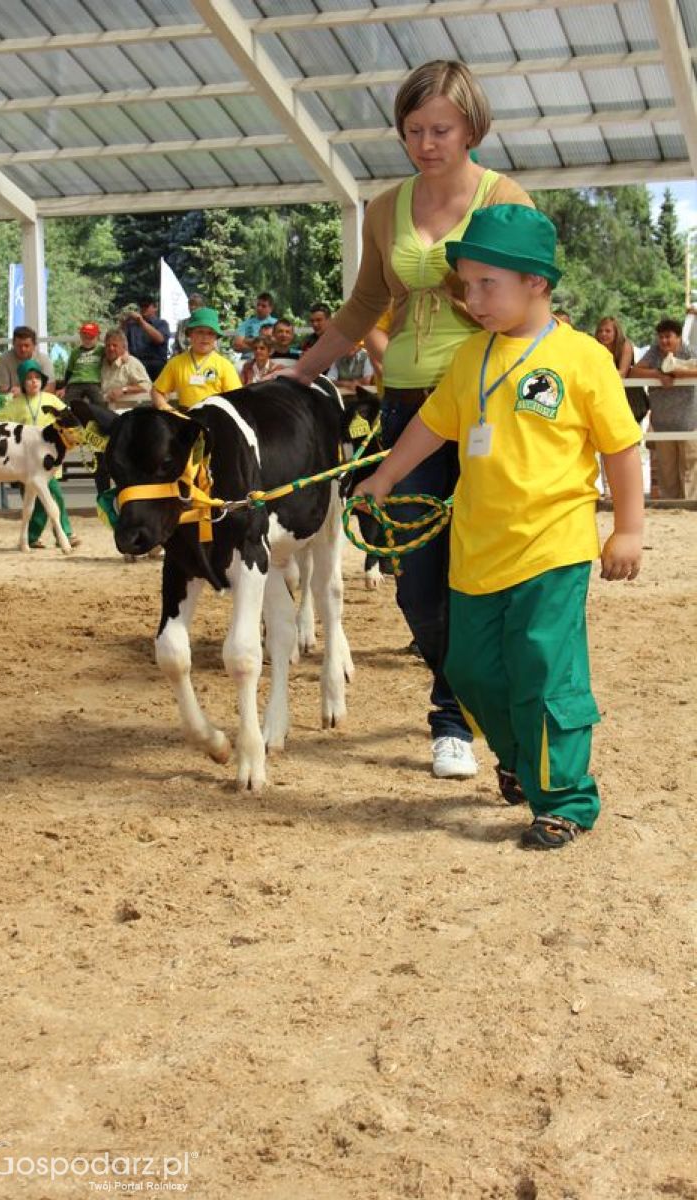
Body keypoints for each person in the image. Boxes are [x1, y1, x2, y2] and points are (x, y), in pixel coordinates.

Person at [358, 205, 644, 849]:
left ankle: (565, 799)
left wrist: (628, 529)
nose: (473, 297)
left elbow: (622, 449)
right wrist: (383, 476)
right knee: (472, 669)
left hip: (554, 547)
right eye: (466, 283)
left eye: (488, 283)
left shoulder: (582, 358)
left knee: (546, 670)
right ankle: (517, 756)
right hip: (476, 550)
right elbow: (433, 425)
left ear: (537, 282)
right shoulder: (471, 358)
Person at [289, 59, 534, 781]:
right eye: (414, 129)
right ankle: (465, 707)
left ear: (472, 128)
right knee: (417, 582)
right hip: (406, 406)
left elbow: (533, 299)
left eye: (442, 129)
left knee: (491, 573)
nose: (427, 143)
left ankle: (461, 718)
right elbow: (362, 309)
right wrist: (301, 370)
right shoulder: (385, 208)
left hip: (490, 407)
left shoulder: (504, 197)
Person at [0, 359, 80, 549]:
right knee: (37, 501)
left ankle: (62, 533)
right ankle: (36, 536)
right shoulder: (16, 405)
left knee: (54, 496)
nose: (33, 382)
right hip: (25, 462)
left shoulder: (52, 401)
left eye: (37, 378)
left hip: (51, 459)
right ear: (22, 383)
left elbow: (69, 417)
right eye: (29, 378)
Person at [629, 317, 697, 499]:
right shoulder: (654, 352)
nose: (664, 341)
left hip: (688, 423)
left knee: (690, 469)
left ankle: (690, 505)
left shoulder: (688, 351)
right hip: (662, 424)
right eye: (661, 337)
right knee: (667, 472)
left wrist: (678, 373)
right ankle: (670, 505)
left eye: (668, 336)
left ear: (678, 337)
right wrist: (659, 374)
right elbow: (634, 371)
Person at [152, 307, 241, 410]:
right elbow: (157, 391)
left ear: (216, 337)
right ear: (190, 334)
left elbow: (237, 399)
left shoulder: (225, 366)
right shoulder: (176, 363)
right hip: (186, 421)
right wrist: (165, 408)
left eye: (210, 333)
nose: (205, 337)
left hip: (215, 420)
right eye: (200, 332)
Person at [595, 315, 647, 423]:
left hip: (630, 396)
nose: (603, 334)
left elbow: (622, 373)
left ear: (616, 332)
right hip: (608, 397)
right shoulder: (595, 347)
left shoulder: (625, 345)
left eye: (608, 331)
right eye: (600, 331)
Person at [0, 327, 56, 397]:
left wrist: (25, 392)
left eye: (26, 346)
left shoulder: (44, 359)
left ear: (34, 345)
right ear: (13, 344)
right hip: (14, 402)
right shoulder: (4, 359)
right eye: (19, 346)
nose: (23, 349)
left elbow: (50, 389)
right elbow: (2, 390)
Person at [101, 328, 151, 409]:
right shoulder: (102, 362)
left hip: (126, 414)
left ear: (124, 347)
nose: (111, 348)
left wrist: (124, 390)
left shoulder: (131, 363)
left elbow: (147, 386)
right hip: (104, 411)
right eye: (108, 345)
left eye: (115, 345)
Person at [121, 298, 170, 381]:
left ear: (155, 308)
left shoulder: (161, 323)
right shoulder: (131, 325)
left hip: (155, 363)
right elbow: (121, 340)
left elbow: (160, 339)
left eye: (146, 306)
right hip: (136, 362)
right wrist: (124, 323)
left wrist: (142, 322)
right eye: (141, 306)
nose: (143, 308)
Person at [61, 322, 105, 408]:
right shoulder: (75, 352)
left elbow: (113, 352)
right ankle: (70, 420)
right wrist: (64, 387)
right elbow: (69, 372)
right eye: (85, 337)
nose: (88, 340)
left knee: (100, 402)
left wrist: (124, 354)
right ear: (81, 336)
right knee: (68, 403)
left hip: (93, 382)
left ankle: (100, 419)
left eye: (91, 337)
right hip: (75, 382)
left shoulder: (101, 350)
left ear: (97, 337)